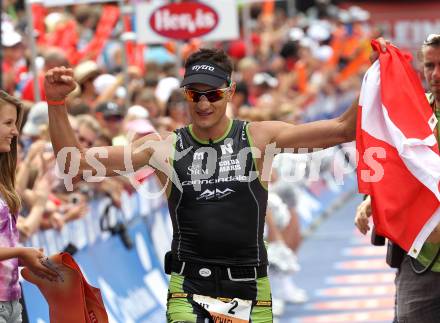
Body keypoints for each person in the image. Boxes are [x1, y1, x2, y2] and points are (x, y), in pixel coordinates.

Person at [44, 48, 358, 323]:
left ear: (231, 92)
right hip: (189, 286)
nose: (204, 103)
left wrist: (376, 75)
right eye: (195, 94)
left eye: (213, 94)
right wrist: (56, 103)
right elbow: (75, 163)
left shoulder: (258, 138)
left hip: (247, 286)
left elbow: (342, 130)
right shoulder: (163, 147)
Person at [355, 34, 440, 323]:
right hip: (420, 259)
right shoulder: (408, 115)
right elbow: (394, 168)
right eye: (430, 66)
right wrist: (369, 200)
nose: (436, 74)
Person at [0, 90, 59, 322]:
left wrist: (25, 258)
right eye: (8, 123)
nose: (16, 131)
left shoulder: (4, 178)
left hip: (12, 299)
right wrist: (20, 252)